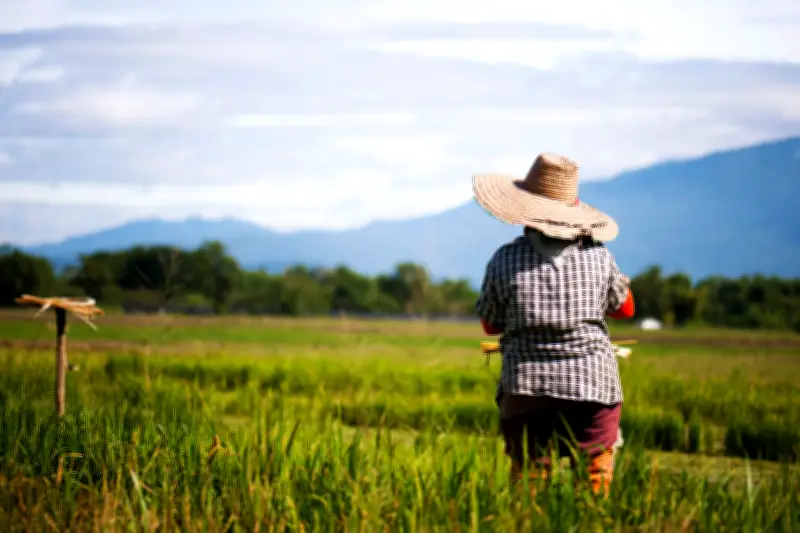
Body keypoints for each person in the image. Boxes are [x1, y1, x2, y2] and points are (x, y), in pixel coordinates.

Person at [472, 152, 635, 496]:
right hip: (594, 384)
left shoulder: (504, 259)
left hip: (525, 385)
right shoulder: (599, 256)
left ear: (524, 211)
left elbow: (490, 327)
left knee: (530, 478)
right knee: (594, 477)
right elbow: (625, 310)